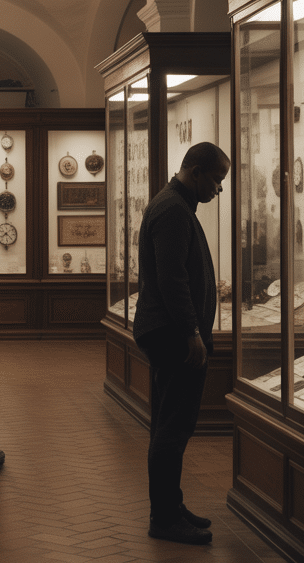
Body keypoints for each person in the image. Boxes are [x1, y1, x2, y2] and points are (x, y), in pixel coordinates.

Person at [133, 141, 229, 545]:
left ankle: (171, 505)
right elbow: (173, 279)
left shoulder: (176, 205)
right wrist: (191, 332)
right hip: (173, 336)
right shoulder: (173, 209)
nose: (218, 190)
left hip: (173, 333)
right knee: (173, 427)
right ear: (194, 171)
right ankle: (165, 518)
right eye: (216, 180)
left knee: (170, 425)